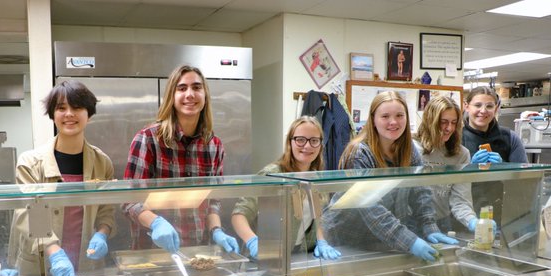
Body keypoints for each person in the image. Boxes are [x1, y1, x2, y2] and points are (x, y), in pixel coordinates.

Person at [322, 91, 457, 262]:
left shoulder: (409, 149)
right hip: (345, 241)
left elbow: (421, 191)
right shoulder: (359, 154)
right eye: (385, 116)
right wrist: (411, 242)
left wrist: (429, 226)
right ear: (373, 120)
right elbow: (371, 208)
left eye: (399, 115)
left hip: (381, 240)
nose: (393, 122)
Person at [6, 80, 115, 276]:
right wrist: (55, 252)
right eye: (61, 108)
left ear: (89, 114)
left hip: (87, 262)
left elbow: (106, 210)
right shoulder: (30, 163)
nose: (69, 114)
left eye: (77, 107)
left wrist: (102, 233)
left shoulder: (103, 162)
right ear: (52, 114)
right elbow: (30, 214)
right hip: (41, 263)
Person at [123, 64, 239, 254]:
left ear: (205, 95)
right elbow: (129, 200)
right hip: (153, 251)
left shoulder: (214, 145)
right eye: (182, 88)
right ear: (172, 96)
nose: (190, 94)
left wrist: (217, 230)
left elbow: (213, 200)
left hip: (198, 252)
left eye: (196, 87)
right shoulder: (148, 139)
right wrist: (156, 223)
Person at [232, 116, 340, 260]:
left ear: (321, 144)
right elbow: (239, 214)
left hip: (297, 257)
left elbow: (317, 218)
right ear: (290, 142)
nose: (307, 146)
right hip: (264, 260)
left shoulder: (317, 178)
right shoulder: (272, 174)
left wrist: (321, 240)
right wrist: (253, 242)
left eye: (314, 141)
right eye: (300, 139)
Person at [414, 95, 487, 233]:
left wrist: (472, 221)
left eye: (454, 122)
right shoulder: (413, 148)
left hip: (442, 223)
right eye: (443, 122)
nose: (449, 128)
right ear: (431, 121)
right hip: (412, 222)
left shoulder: (461, 154)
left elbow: (460, 200)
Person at [462, 86, 527, 164]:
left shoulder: (510, 138)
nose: (483, 111)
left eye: (489, 106)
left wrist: (503, 167)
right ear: (466, 106)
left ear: (496, 109)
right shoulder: (456, 139)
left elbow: (523, 173)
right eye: (478, 105)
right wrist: (469, 167)